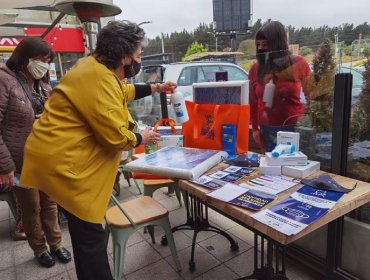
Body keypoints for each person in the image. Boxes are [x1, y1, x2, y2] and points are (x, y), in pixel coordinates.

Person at [20, 21, 177, 280]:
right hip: (65, 165)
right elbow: (115, 137)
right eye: (138, 55)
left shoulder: (92, 68)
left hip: (58, 156)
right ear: (125, 56)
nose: (139, 61)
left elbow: (121, 90)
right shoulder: (99, 78)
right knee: (90, 237)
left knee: (84, 236)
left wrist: (156, 87)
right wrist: (142, 136)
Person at [0, 37, 71, 267]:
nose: (44, 66)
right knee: (31, 208)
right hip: (21, 160)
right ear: (24, 58)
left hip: (46, 159)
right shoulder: (5, 80)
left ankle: (57, 244)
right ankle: (39, 249)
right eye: (41, 60)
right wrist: (6, 165)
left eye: (48, 61)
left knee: (50, 204)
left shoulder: (42, 83)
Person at [249, 20, 312, 152]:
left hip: (294, 127)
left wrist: (313, 125)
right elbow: (253, 103)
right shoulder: (255, 69)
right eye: (258, 44)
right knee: (271, 169)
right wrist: (255, 128)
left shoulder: (298, 63)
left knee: (293, 168)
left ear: (277, 44)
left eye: (265, 44)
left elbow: (312, 97)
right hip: (267, 129)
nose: (261, 48)